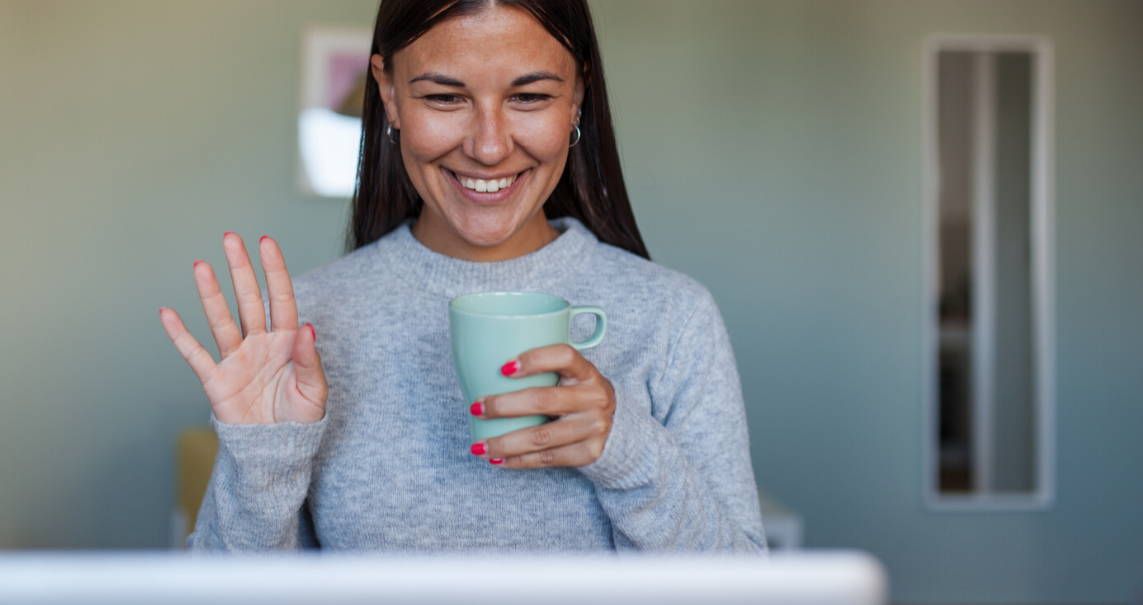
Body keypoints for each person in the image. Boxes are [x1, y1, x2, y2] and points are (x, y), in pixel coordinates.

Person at [159, 0, 767, 552]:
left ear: (578, 94)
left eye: (529, 97)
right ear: (389, 94)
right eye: (445, 98)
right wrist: (263, 466)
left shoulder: (673, 318)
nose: (489, 147)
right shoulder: (307, 330)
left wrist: (628, 451)